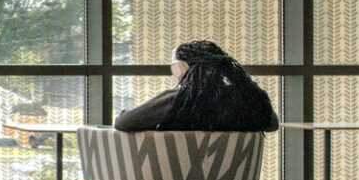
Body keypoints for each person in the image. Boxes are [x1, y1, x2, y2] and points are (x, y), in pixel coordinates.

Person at [114, 40, 279, 132]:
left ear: (180, 68)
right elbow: (272, 124)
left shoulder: (178, 100)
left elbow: (124, 122)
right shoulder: (250, 101)